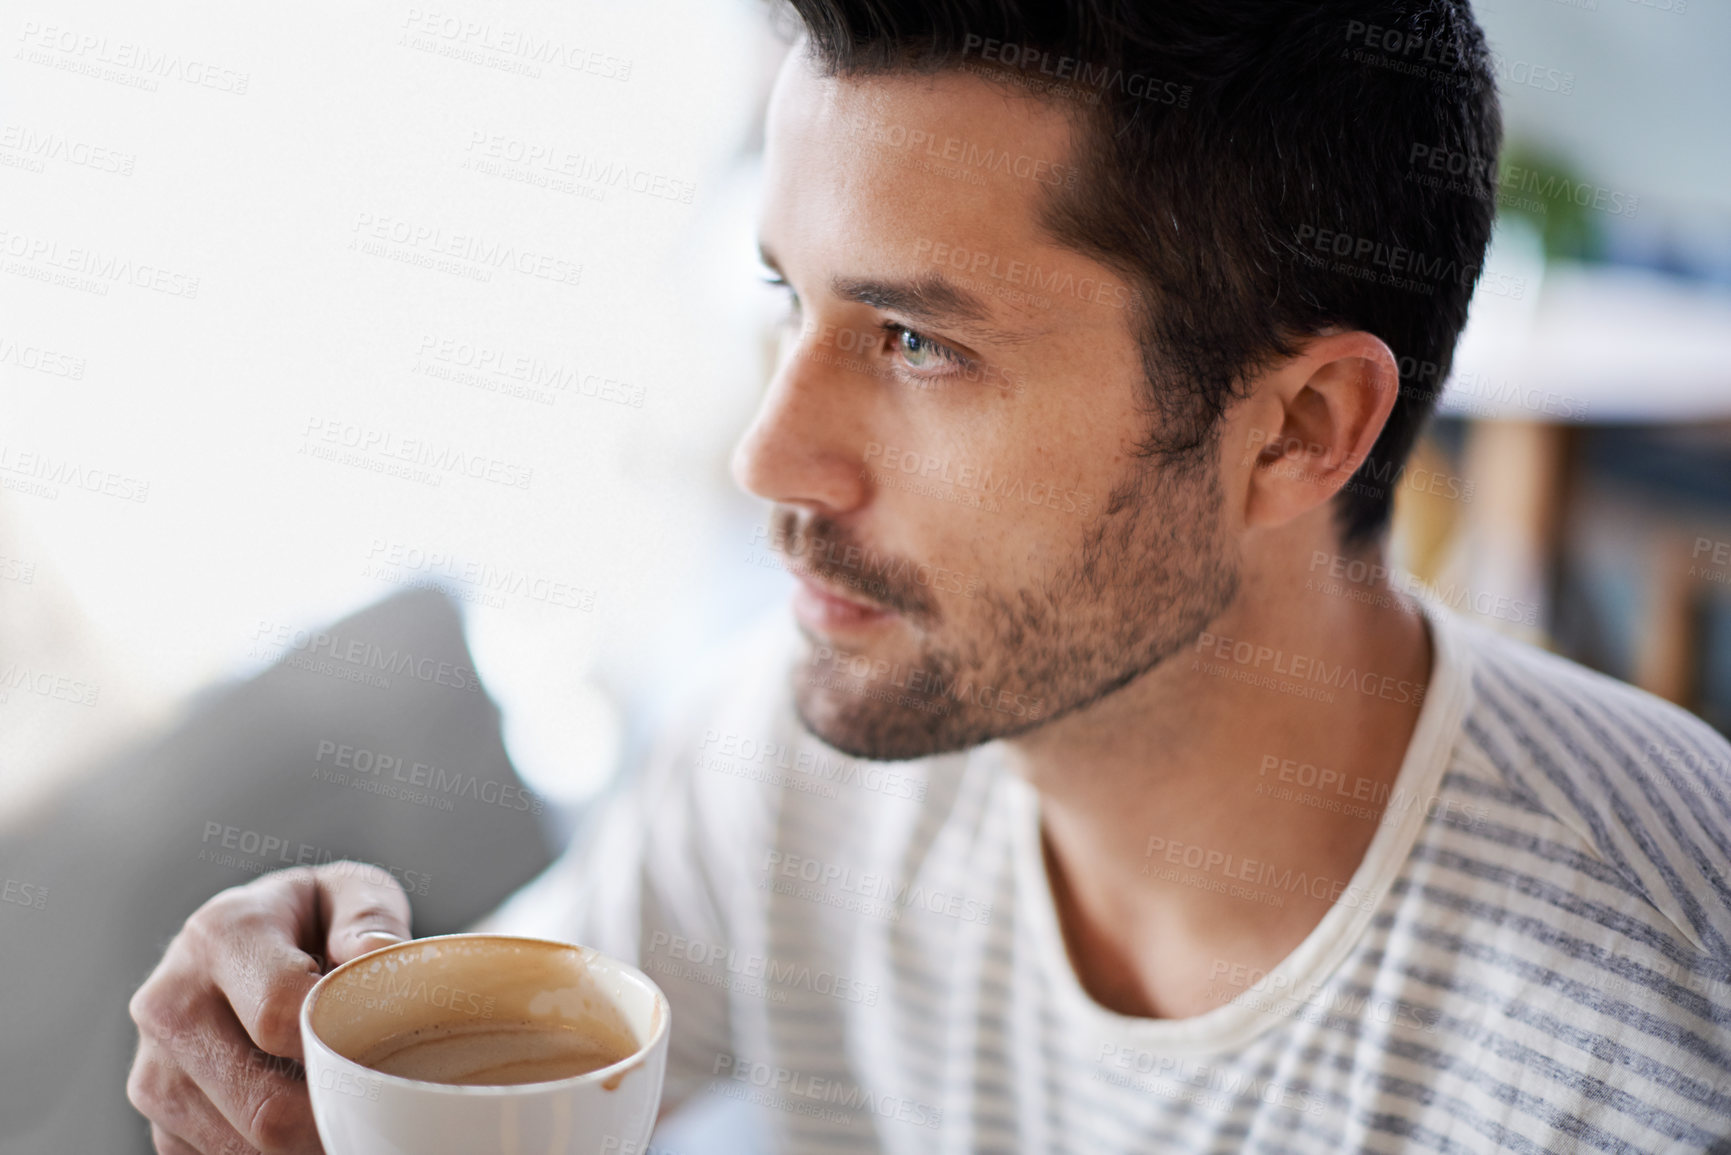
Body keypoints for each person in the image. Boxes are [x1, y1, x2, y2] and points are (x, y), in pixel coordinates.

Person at [126, 1, 1731, 1151]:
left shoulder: (1641, 1038)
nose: (769, 455)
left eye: (916, 341)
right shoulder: (793, 754)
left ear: (1299, 430)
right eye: (787, 299)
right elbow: (520, 1065)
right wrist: (298, 1056)